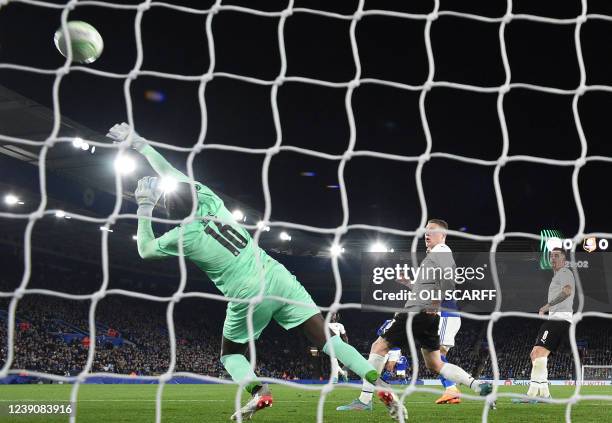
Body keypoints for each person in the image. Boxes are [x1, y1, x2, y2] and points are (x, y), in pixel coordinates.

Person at [106, 123, 403, 420]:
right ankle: (378, 383)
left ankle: (260, 391)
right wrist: (141, 144)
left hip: (247, 293)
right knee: (328, 341)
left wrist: (144, 208)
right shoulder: (211, 201)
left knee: (230, 354)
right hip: (277, 275)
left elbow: (145, 250)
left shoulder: (182, 236)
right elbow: (173, 176)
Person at [337, 219, 492, 413]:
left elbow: (449, 279)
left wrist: (436, 301)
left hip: (417, 311)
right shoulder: (433, 256)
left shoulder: (442, 251)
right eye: (426, 230)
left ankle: (365, 399)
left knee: (379, 346)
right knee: (434, 363)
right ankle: (476, 385)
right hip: (429, 316)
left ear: (443, 235)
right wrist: (409, 283)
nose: (427, 234)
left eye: (432, 230)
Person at [327, 312, 350, 383]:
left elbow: (344, 336)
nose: (332, 316)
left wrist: (347, 345)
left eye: (333, 315)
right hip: (329, 344)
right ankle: (343, 373)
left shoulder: (340, 325)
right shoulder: (326, 325)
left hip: (338, 344)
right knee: (334, 361)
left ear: (336, 316)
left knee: (333, 360)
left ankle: (335, 378)